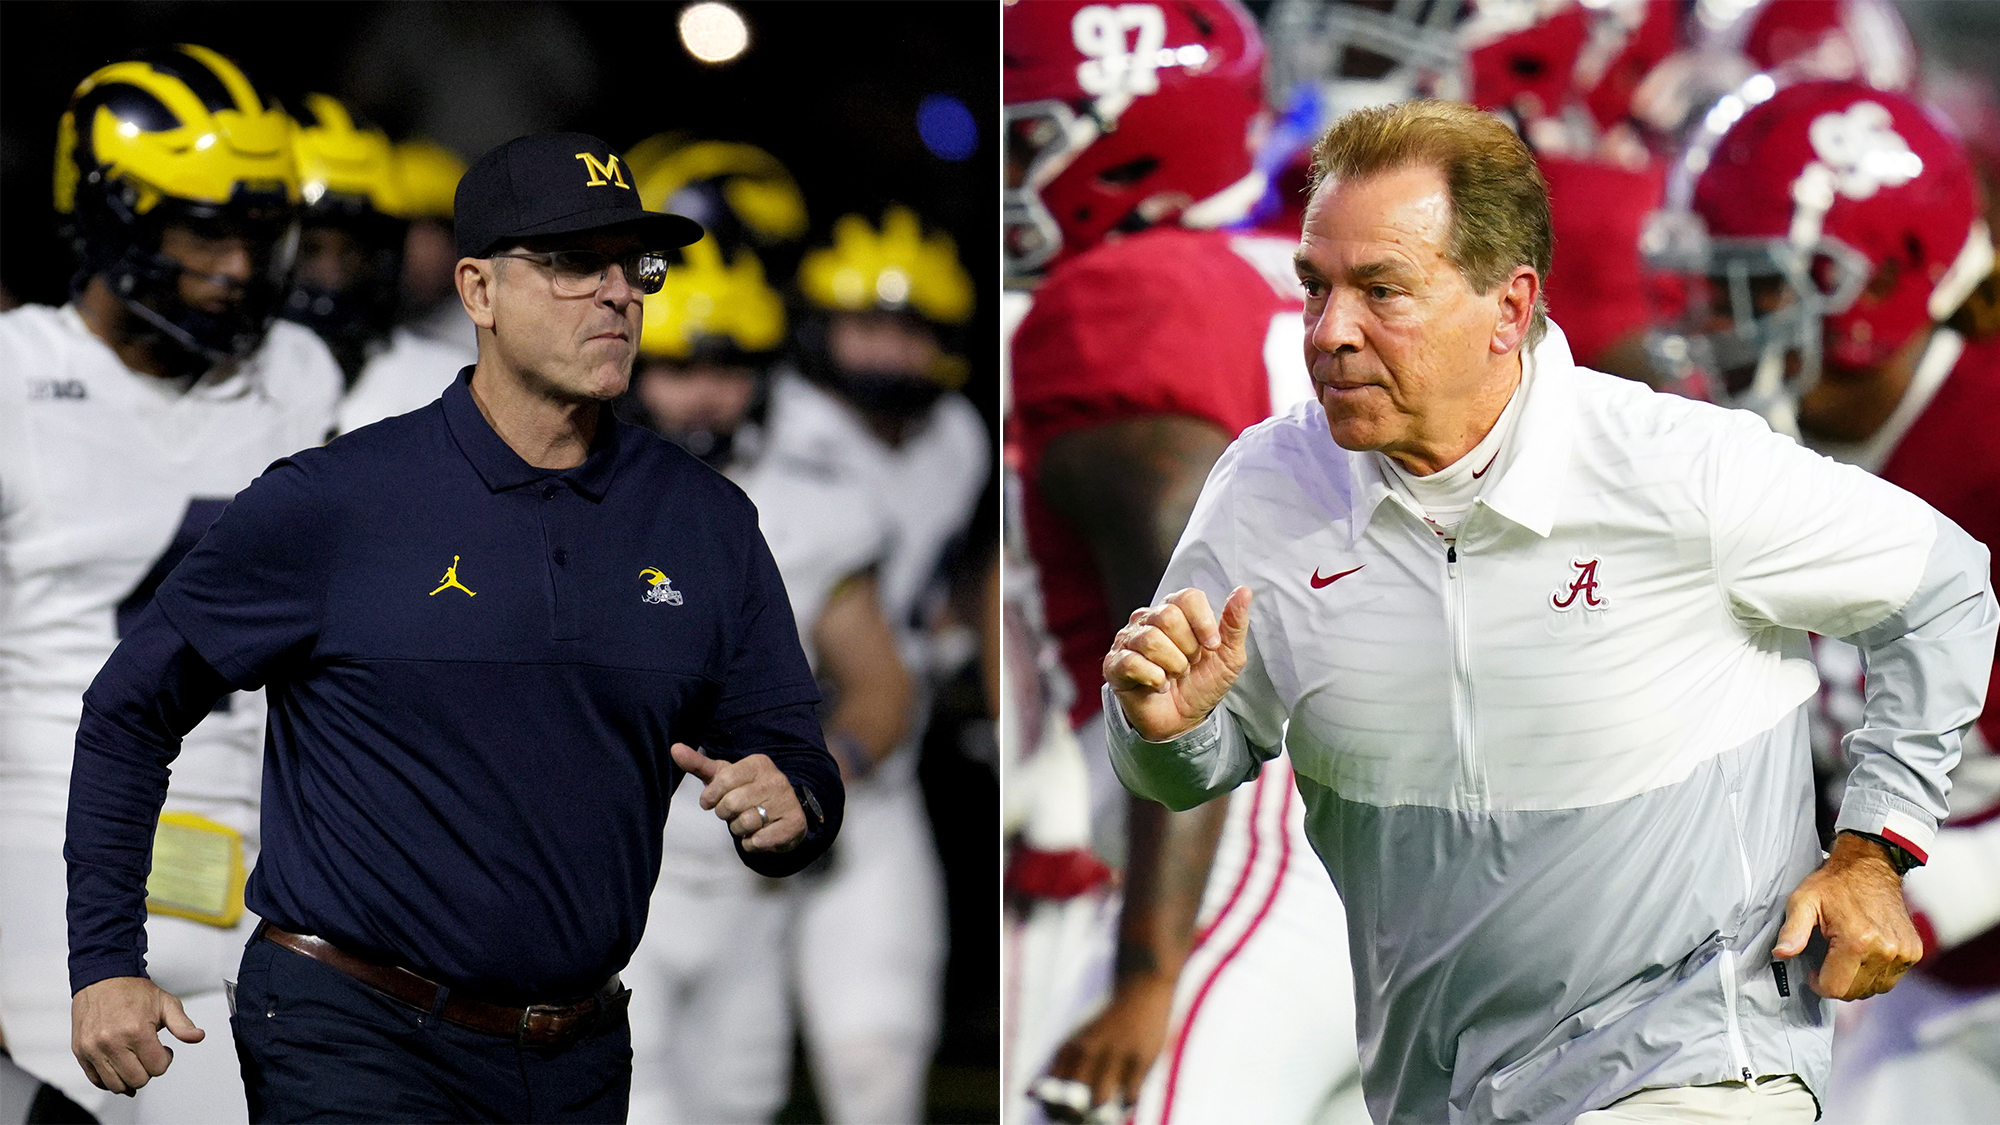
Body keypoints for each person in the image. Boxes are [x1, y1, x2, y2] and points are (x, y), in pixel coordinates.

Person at [1102, 98, 1997, 1124]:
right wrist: (1158, 731)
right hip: (1436, 1073)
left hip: (1696, 1061)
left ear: (1508, 306)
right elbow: (1188, 771)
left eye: (1380, 290)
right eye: (1313, 287)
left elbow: (1944, 587)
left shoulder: (1676, 465)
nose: (1328, 331)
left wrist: (1874, 851)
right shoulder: (1266, 488)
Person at [62, 131, 843, 1123]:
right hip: (350, 1028)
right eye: (569, 264)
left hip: (577, 1051)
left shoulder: (704, 518)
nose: (616, 293)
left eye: (631, 265)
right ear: (476, 291)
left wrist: (794, 808)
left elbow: (786, 750)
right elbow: (130, 710)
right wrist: (103, 964)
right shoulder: (336, 501)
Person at [1005, 3, 1367, 1123]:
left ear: (1129, 142)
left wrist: (1148, 972)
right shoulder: (1288, 274)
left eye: (1029, 142)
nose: (1009, 175)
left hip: (1253, 830)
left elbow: (1185, 634)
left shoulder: (1122, 297)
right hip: (1383, 834)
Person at [1645, 80, 2000, 1122]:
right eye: (1705, 284)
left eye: (1750, 286)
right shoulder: (1742, 449)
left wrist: (1905, 892)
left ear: (1874, 285)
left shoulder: (1981, 444)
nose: (1711, 320)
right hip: (1899, 968)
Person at [0, 44, 342, 1123]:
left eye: (253, 233)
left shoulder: (296, 376)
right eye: (203, 230)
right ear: (109, 219)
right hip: (38, 846)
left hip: (247, 856)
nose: (235, 268)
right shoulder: (15, 379)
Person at [612, 142, 911, 1125]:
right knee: (633, 1101)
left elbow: (877, 681)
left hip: (744, 877)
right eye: (680, 367)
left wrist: (824, 768)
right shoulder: (567, 486)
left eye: (730, 365)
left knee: (738, 1104)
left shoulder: (811, 502)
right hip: (614, 862)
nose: (705, 392)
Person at [775, 204, 989, 1125]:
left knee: (878, 1050)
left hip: (874, 776)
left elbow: (943, 593)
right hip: (721, 779)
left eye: (911, 332)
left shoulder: (957, 439)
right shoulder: (772, 422)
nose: (890, 354)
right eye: (869, 325)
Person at [277, 92, 473, 435]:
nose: (332, 277)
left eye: (353, 250)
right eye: (308, 250)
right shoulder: (216, 388)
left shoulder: (453, 388)